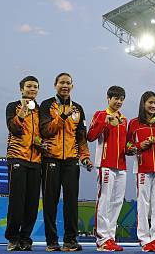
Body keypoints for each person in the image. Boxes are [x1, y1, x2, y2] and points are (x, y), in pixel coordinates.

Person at [40, 72, 93, 252]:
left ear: (72, 86)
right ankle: (51, 241)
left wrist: (85, 157)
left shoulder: (78, 108)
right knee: (50, 202)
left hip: (71, 161)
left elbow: (81, 137)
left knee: (71, 202)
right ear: (55, 85)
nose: (65, 86)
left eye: (68, 83)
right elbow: (46, 131)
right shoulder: (46, 105)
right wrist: (63, 117)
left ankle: (70, 240)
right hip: (50, 160)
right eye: (62, 82)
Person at [87, 86, 129, 252]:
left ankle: (110, 237)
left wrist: (130, 148)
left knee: (117, 202)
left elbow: (124, 143)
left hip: (122, 165)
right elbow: (90, 136)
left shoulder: (124, 119)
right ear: (108, 98)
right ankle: (102, 239)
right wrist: (105, 123)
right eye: (115, 98)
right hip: (105, 164)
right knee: (104, 200)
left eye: (121, 99)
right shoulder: (100, 114)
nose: (118, 102)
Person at [127, 91, 155, 252]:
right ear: (143, 103)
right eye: (150, 102)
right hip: (142, 168)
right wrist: (140, 146)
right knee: (143, 205)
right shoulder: (134, 123)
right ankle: (144, 239)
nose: (153, 106)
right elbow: (127, 147)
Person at [5, 76, 43, 252]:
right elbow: (13, 128)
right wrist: (22, 112)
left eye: (35, 87)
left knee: (32, 203)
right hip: (17, 158)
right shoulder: (13, 106)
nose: (32, 89)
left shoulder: (40, 110)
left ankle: (26, 238)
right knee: (16, 202)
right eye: (29, 86)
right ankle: (13, 238)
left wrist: (40, 142)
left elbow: (42, 134)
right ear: (21, 89)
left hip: (36, 160)